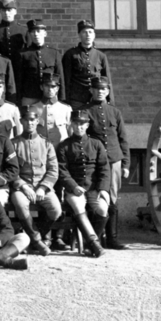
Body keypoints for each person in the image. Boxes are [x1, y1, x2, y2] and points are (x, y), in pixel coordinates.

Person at [53, 107, 107, 256]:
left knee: (103, 208)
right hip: (74, 190)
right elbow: (62, 171)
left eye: (82, 124)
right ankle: (94, 244)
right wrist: (73, 186)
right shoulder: (64, 146)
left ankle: (90, 245)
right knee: (78, 206)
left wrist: (103, 189)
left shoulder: (96, 144)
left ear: (87, 125)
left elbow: (104, 169)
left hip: (94, 188)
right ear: (71, 124)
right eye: (76, 123)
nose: (79, 127)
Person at [84, 75, 129, 250]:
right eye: (96, 89)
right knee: (94, 197)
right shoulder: (85, 111)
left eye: (103, 89)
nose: (100, 92)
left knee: (112, 198)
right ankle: (95, 237)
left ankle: (112, 238)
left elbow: (123, 139)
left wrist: (125, 164)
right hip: (93, 163)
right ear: (91, 90)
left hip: (113, 161)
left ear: (108, 91)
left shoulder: (115, 112)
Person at [10, 104, 60, 256]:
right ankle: (37, 241)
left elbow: (53, 170)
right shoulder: (13, 144)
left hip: (42, 187)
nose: (29, 123)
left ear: (37, 121)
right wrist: (23, 186)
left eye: (32, 120)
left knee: (56, 209)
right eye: (26, 120)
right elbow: (11, 170)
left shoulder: (46, 144)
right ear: (21, 121)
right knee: (20, 204)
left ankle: (33, 238)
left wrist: (43, 188)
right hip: (21, 187)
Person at [62, 19, 114, 109]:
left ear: (94, 35)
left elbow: (107, 80)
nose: (88, 35)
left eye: (90, 32)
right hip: (77, 99)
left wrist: (110, 101)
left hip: (96, 99)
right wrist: (65, 100)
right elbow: (66, 80)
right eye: (84, 32)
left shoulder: (100, 56)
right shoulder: (70, 54)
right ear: (79, 35)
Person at [17, 19, 62, 108]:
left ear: (45, 33)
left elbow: (60, 77)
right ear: (29, 34)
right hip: (30, 96)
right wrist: (19, 98)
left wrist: (61, 98)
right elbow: (19, 79)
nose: (36, 34)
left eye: (38, 31)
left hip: (50, 97)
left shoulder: (54, 53)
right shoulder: (23, 54)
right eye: (32, 32)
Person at [36, 72, 72, 149]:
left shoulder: (66, 109)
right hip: (42, 149)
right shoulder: (34, 108)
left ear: (57, 88)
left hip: (61, 150)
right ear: (41, 87)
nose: (50, 89)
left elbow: (71, 133)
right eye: (47, 86)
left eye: (53, 86)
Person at [0, 0, 27, 66]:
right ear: (0, 12)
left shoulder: (23, 30)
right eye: (3, 10)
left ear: (15, 11)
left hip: (19, 66)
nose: (6, 13)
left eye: (9, 10)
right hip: (1, 66)